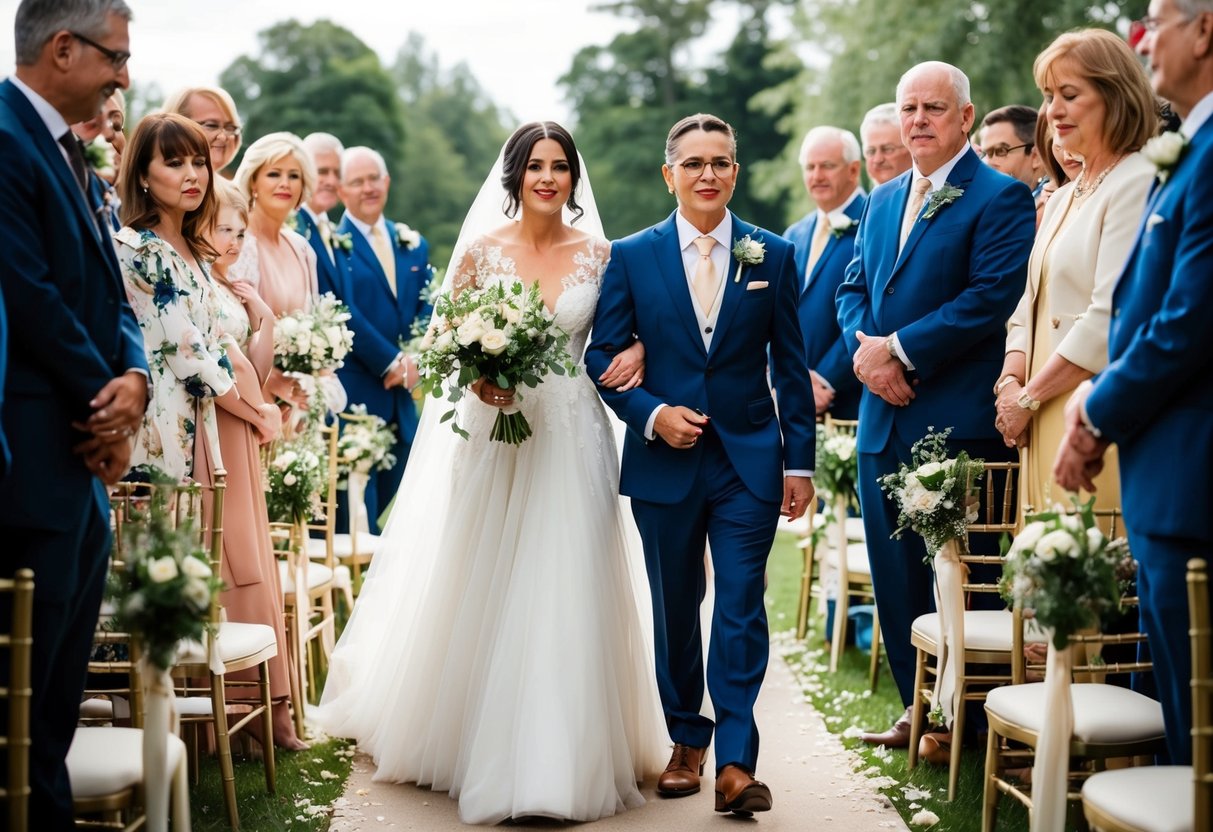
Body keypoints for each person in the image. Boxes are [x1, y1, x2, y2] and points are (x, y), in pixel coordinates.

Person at [317, 121, 663, 824]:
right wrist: (479, 380)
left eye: (558, 166)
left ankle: (562, 756)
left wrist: (640, 357)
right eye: (533, 165)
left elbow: (624, 339)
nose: (546, 176)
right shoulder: (480, 254)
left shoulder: (602, 256)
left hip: (571, 432)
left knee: (567, 576)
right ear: (513, 176)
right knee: (488, 575)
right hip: (495, 437)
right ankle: (477, 740)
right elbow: (445, 347)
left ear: (572, 177)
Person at [586, 113, 817, 817]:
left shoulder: (771, 254)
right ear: (670, 175)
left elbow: (792, 363)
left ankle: (736, 762)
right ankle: (686, 739)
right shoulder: (629, 255)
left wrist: (798, 462)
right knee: (676, 606)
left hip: (748, 460)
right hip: (664, 462)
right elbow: (600, 356)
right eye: (693, 163)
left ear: (735, 173)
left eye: (720, 162)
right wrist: (653, 413)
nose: (707, 174)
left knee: (741, 603)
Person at [835, 62, 1035, 750]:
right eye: (908, 107)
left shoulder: (998, 197)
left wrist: (899, 350)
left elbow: (987, 298)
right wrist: (865, 354)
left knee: (956, 576)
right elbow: (850, 288)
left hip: (951, 422)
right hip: (880, 418)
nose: (917, 119)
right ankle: (915, 708)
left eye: (932, 108)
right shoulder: (882, 198)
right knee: (895, 579)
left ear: (965, 117)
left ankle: (967, 717)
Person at [0, 2, 147, 827]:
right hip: (37, 455)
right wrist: (108, 402)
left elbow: (110, 293)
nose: (123, 75)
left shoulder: (75, 158)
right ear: (63, 47)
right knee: (26, 705)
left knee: (60, 690)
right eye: (115, 57)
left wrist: (135, 374)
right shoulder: (5, 139)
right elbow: (31, 293)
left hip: (86, 452)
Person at [1055, 0, 1213, 767]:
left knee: (1198, 723)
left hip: (1189, 470)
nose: (1144, 38)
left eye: (1157, 20)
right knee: (1186, 721)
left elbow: (1187, 321)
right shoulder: (1190, 146)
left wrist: (1092, 410)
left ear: (1204, 30)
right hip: (1163, 468)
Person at [996, 29, 1157, 520]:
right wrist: (1008, 380)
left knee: (1085, 569)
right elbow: (1029, 302)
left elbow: (1108, 316)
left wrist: (1029, 396)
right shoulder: (1064, 194)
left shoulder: (1137, 180)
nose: (1053, 111)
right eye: (1048, 97)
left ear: (1114, 96)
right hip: (1036, 412)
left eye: (1069, 95)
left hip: (1086, 414)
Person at [203, 178, 306, 749]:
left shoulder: (229, 285)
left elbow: (256, 366)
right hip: (221, 426)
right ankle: (238, 710)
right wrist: (261, 412)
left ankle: (268, 706)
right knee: (234, 557)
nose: (235, 242)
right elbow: (218, 368)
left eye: (240, 233)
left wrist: (263, 316)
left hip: (244, 424)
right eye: (225, 229)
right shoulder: (197, 284)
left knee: (254, 557)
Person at [114, 113, 238, 484]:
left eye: (199, 162)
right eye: (174, 163)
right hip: (160, 422)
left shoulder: (197, 252)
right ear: (142, 175)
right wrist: (253, 409)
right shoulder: (139, 250)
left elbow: (219, 335)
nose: (193, 175)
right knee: (158, 537)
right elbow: (189, 355)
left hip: (203, 419)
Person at [331, 146, 433, 530]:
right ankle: (354, 588)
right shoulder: (332, 246)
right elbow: (345, 310)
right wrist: (391, 362)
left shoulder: (413, 243)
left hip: (403, 400)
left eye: (374, 178)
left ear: (386, 182)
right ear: (342, 191)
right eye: (357, 182)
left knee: (389, 507)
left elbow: (428, 302)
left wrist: (415, 361)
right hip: (357, 397)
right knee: (356, 515)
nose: (367, 188)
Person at [230, 131, 343, 425]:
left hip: (299, 408)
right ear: (253, 181)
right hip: (251, 401)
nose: (284, 183)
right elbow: (229, 330)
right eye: (273, 173)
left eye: (294, 175)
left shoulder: (302, 249)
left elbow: (316, 322)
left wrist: (316, 380)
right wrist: (273, 382)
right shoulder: (239, 246)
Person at [783, 125, 867, 419]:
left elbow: (874, 309)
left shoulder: (875, 218)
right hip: (793, 399)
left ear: (854, 170)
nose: (817, 176)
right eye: (810, 167)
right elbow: (779, 313)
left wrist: (825, 379)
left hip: (853, 398)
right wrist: (786, 378)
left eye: (827, 166)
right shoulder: (795, 233)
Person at [163, 85, 242, 178]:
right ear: (175, 126)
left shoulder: (236, 191)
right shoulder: (162, 187)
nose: (223, 137)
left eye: (230, 127)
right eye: (211, 125)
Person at [977, 104, 1049, 192]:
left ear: (1037, 156)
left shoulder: (1057, 202)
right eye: (984, 154)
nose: (987, 163)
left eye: (1001, 151)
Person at [860, 102, 913, 186]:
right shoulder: (870, 199)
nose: (878, 159)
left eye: (887, 149)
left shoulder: (930, 196)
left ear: (911, 149)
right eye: (871, 151)